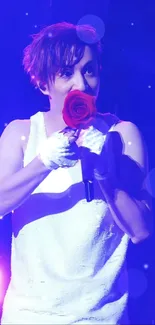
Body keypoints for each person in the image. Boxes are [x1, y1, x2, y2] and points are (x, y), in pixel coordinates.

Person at [0, 22, 152, 324]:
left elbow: (142, 231)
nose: (81, 84)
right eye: (66, 73)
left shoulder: (122, 135)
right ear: (44, 84)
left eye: (90, 70)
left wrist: (106, 175)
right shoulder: (22, 134)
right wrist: (44, 161)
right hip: (29, 316)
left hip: (102, 317)